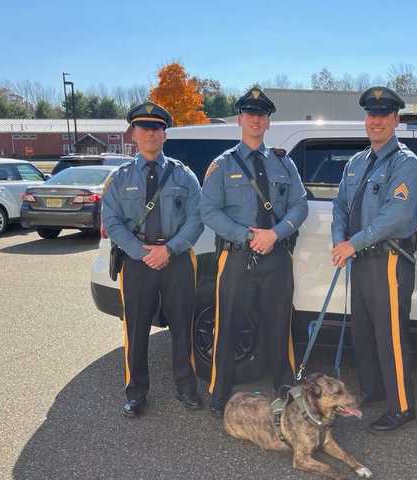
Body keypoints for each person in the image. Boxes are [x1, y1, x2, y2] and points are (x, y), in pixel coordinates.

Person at [200, 87, 308, 417]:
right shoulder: (221, 165)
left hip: (276, 256)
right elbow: (209, 211)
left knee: (279, 325)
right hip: (235, 257)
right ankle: (219, 391)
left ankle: (285, 387)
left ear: (268, 122)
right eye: (250, 114)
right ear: (240, 119)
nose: (256, 119)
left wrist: (275, 233)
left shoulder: (281, 162)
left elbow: (299, 204)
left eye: (262, 115)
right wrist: (248, 236)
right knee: (228, 326)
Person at [331, 86, 417, 432]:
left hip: (388, 260)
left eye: (384, 116)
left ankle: (401, 406)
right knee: (364, 333)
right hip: (360, 260)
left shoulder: (406, 164)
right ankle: (373, 391)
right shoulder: (356, 163)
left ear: (395, 120)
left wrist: (352, 244)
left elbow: (396, 217)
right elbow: (340, 205)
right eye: (372, 115)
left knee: (390, 336)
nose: (377, 122)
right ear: (366, 119)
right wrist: (338, 240)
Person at [102, 101, 204, 417]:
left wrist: (169, 249)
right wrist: (140, 252)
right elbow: (111, 220)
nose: (150, 134)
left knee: (182, 327)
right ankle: (136, 394)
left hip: (177, 259)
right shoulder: (119, 178)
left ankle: (187, 388)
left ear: (164, 135)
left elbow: (197, 218)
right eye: (144, 128)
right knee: (135, 330)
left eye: (156, 128)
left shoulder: (183, 176)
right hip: (137, 262)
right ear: (134, 133)